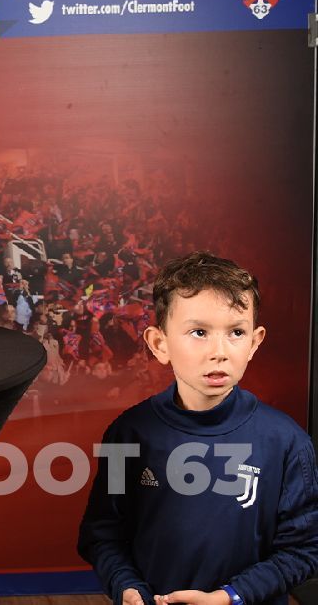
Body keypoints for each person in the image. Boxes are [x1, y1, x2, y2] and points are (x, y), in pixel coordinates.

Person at [78, 252, 318, 605]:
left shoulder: (286, 441)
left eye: (236, 332)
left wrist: (231, 596)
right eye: (199, 332)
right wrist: (127, 587)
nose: (218, 351)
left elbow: (305, 548)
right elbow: (101, 534)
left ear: (254, 342)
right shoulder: (128, 433)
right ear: (160, 344)